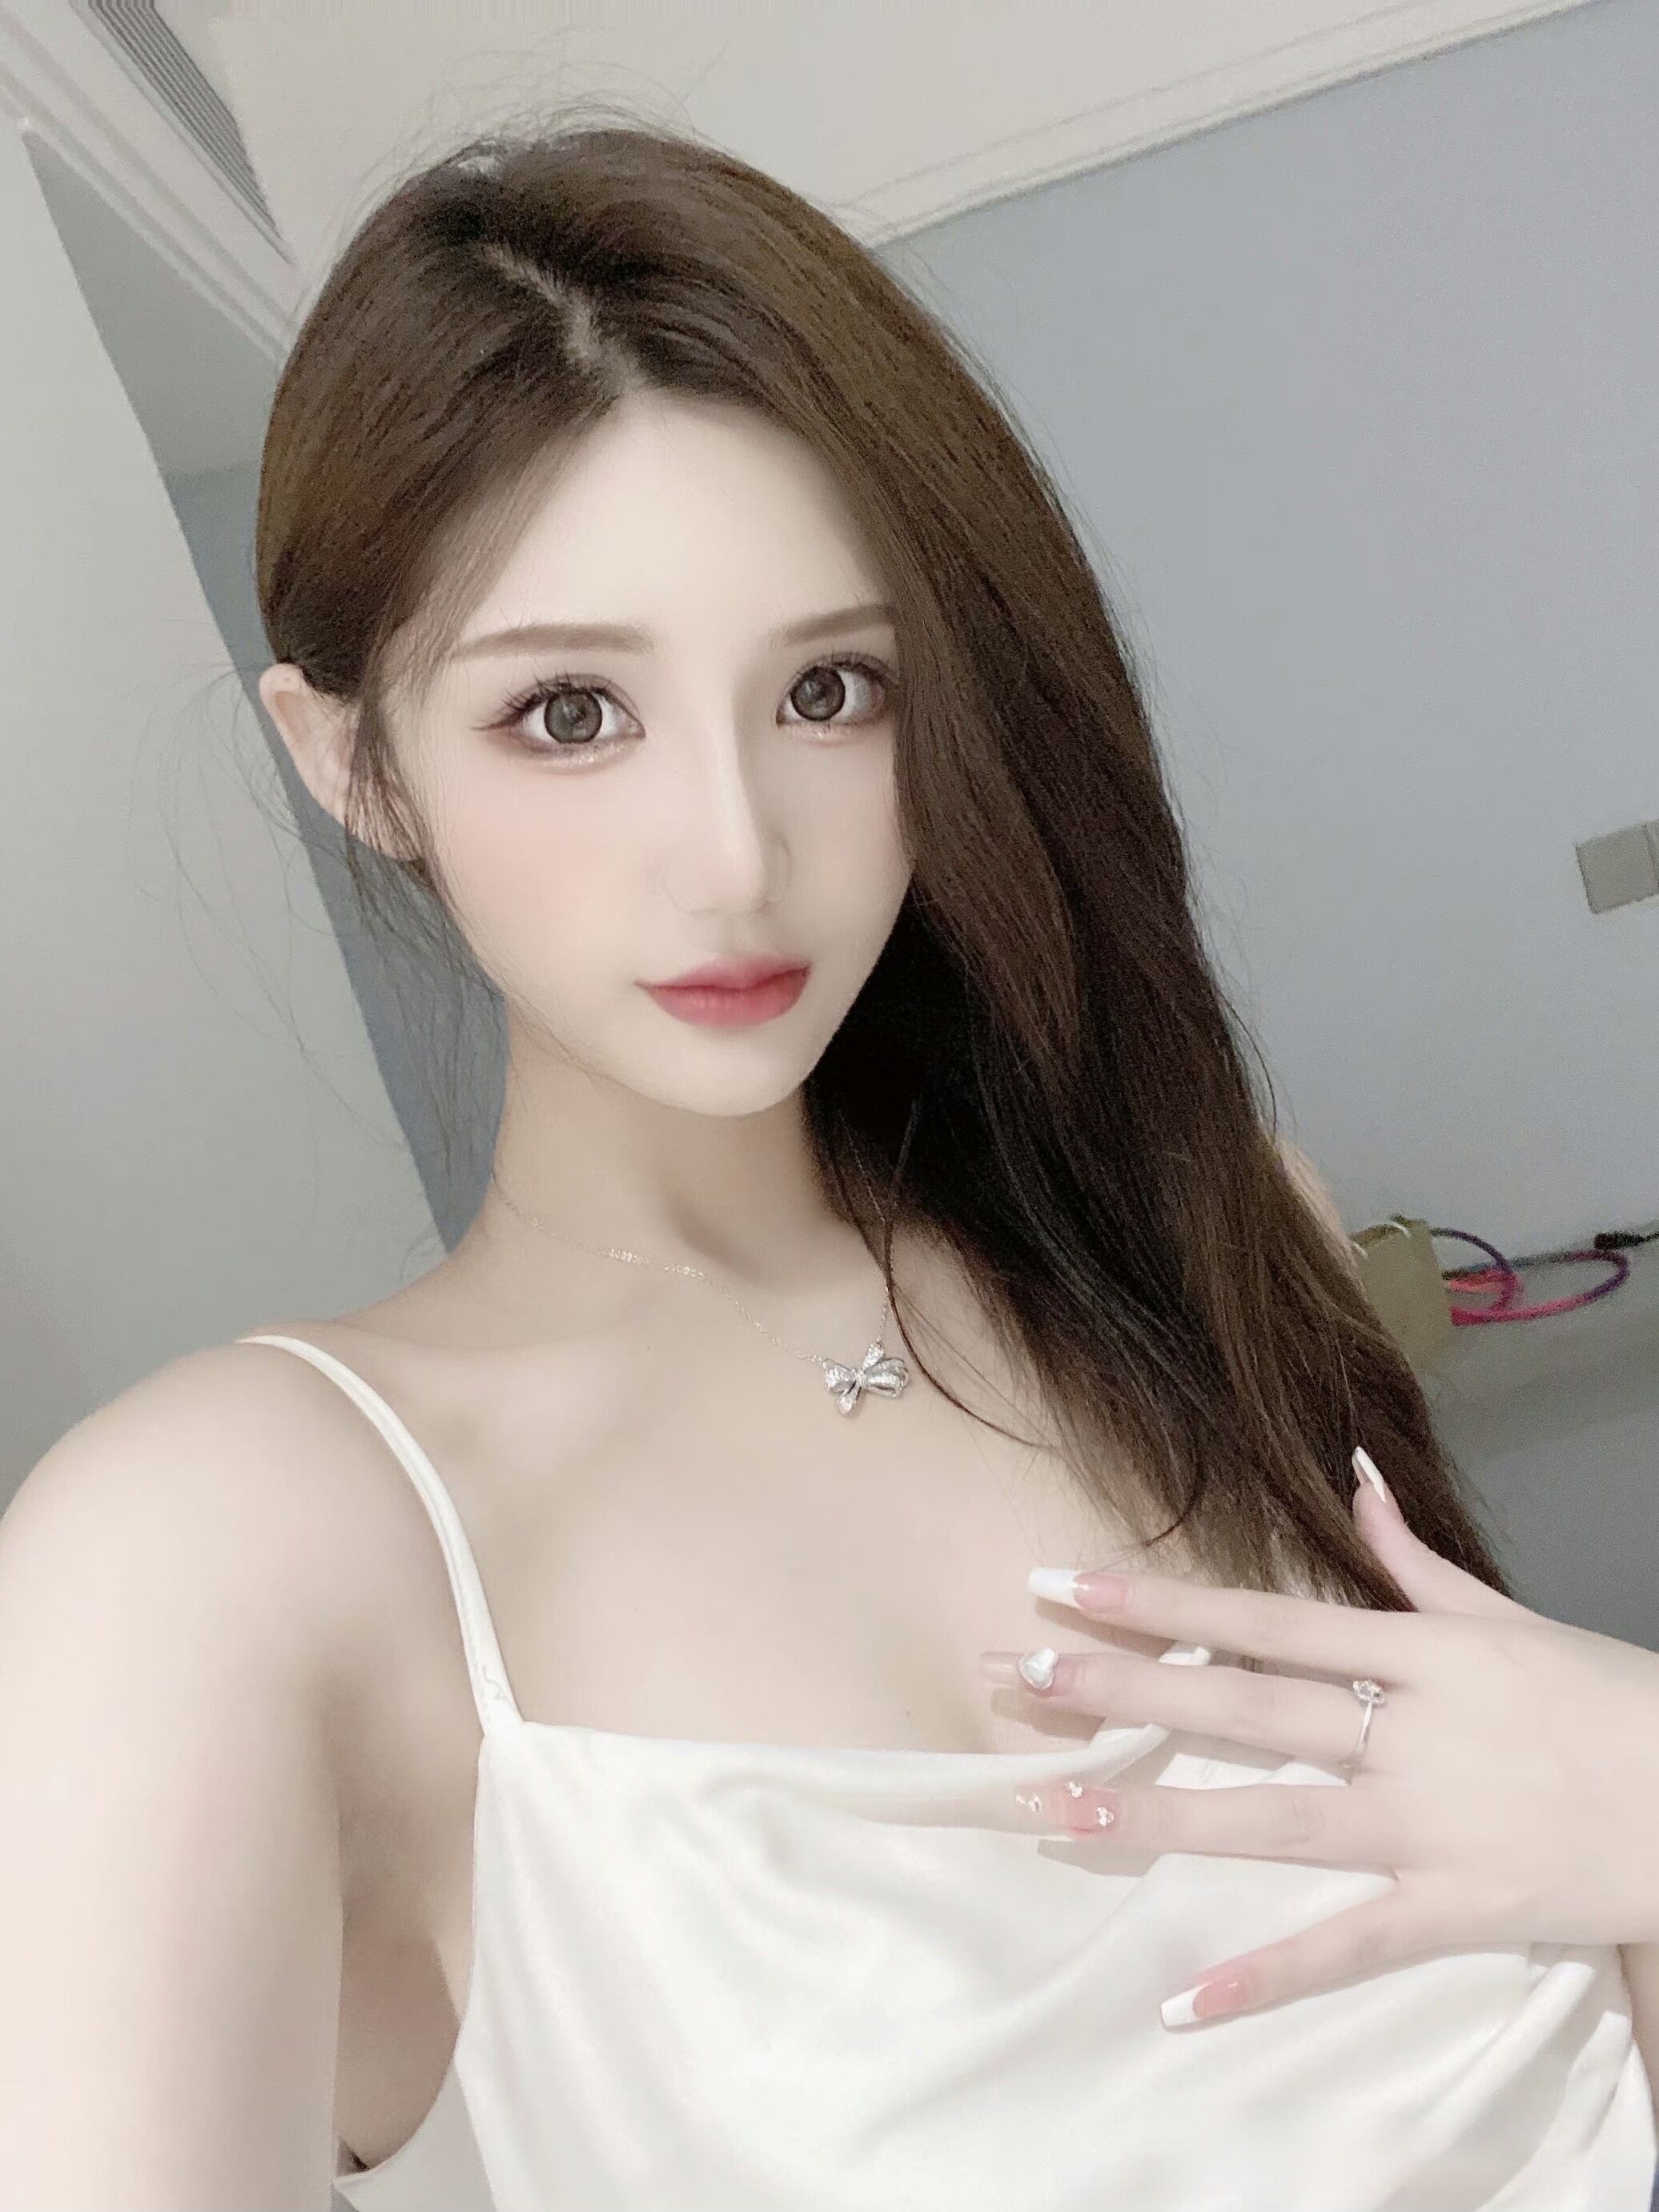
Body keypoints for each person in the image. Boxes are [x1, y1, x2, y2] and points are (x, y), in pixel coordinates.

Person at [0, 118, 1653, 2212]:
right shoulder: (223, 1552)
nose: (735, 853)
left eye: (831, 688)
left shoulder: (1219, 1235)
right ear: (356, 763)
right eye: (570, 713)